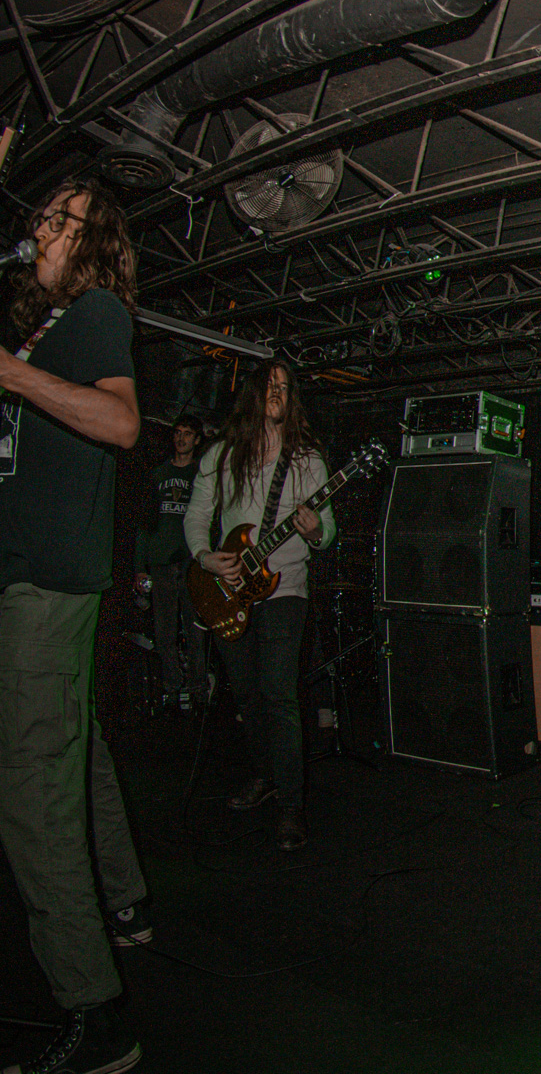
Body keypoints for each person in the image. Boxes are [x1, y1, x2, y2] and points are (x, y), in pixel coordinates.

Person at [0, 177, 148, 1074]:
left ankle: (96, 1015)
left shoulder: (95, 313)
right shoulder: (44, 328)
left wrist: (12, 374)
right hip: (27, 578)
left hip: (47, 586)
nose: (43, 224)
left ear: (95, 241)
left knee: (31, 796)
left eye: (64, 216)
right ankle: (126, 902)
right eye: (42, 212)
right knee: (73, 749)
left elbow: (122, 425)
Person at [184, 361, 334, 852]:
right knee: (247, 695)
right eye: (270, 385)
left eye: (285, 388)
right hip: (230, 588)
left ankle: (292, 805)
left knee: (278, 694)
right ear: (251, 392)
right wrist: (205, 557)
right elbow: (197, 513)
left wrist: (316, 530)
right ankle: (265, 774)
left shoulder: (306, 459)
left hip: (285, 588)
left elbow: (327, 531)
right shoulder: (221, 454)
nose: (278, 393)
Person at [134, 414, 207, 710]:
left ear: (197, 439)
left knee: (196, 630)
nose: (181, 438)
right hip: (161, 562)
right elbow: (144, 524)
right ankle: (173, 688)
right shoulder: (158, 474)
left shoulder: (201, 475)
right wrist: (139, 568)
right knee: (164, 632)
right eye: (178, 432)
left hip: (191, 563)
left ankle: (199, 690)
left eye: (187, 433)